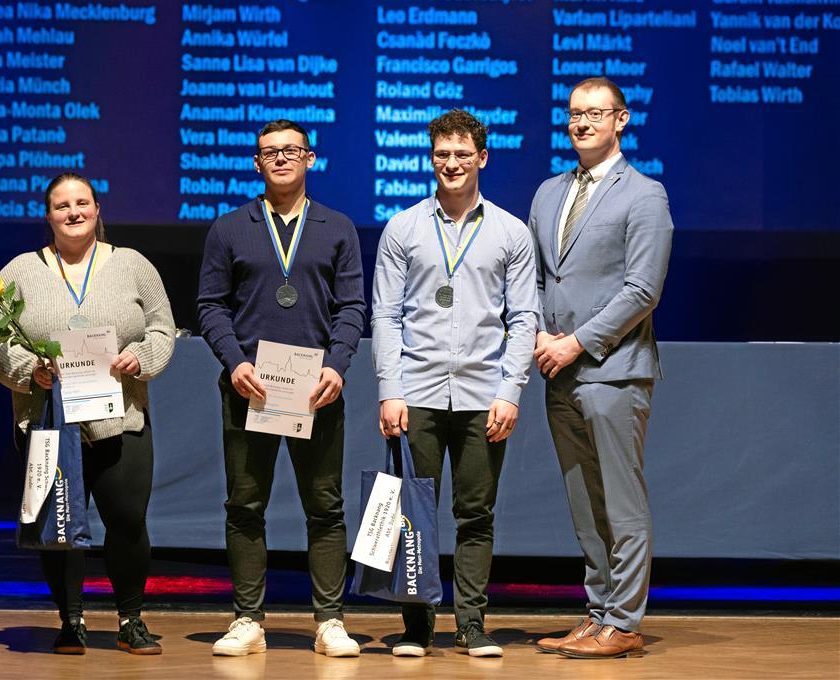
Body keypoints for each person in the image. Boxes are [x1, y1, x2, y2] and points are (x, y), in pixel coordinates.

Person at [0, 173, 175, 656]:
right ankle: (71, 621)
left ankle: (131, 620)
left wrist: (140, 359)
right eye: (61, 205)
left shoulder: (132, 264)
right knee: (59, 524)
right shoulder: (21, 270)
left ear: (97, 209)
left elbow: (163, 329)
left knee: (128, 521)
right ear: (48, 215)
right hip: (49, 421)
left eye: (81, 202)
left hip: (121, 417)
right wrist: (28, 369)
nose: (73, 212)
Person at [372, 109, 539, 658]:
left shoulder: (512, 231)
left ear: (482, 158)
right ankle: (416, 627)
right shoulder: (403, 228)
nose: (452, 164)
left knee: (476, 514)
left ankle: (470, 624)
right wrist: (389, 389)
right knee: (413, 512)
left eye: (462, 154)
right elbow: (385, 317)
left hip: (482, 397)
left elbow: (523, 320)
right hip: (416, 394)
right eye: (443, 154)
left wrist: (510, 391)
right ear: (431, 158)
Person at [198, 120, 366, 658]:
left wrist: (337, 366)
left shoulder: (337, 227)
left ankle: (330, 622)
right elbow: (210, 307)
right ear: (256, 163)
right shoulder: (229, 228)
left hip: (317, 390)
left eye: (291, 150)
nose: (281, 159)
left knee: (326, 507)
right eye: (270, 152)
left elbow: (353, 309)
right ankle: (248, 619)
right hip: (250, 388)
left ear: (310, 158)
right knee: (245, 505)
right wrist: (234, 362)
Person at [529, 77, 673, 659]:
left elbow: (642, 290)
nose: (582, 122)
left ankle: (626, 620)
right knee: (584, 500)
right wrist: (538, 332)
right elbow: (538, 278)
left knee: (620, 498)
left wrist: (576, 344)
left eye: (595, 113)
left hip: (613, 369)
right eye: (574, 114)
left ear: (621, 120)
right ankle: (597, 613)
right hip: (556, 370)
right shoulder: (547, 193)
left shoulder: (645, 194)